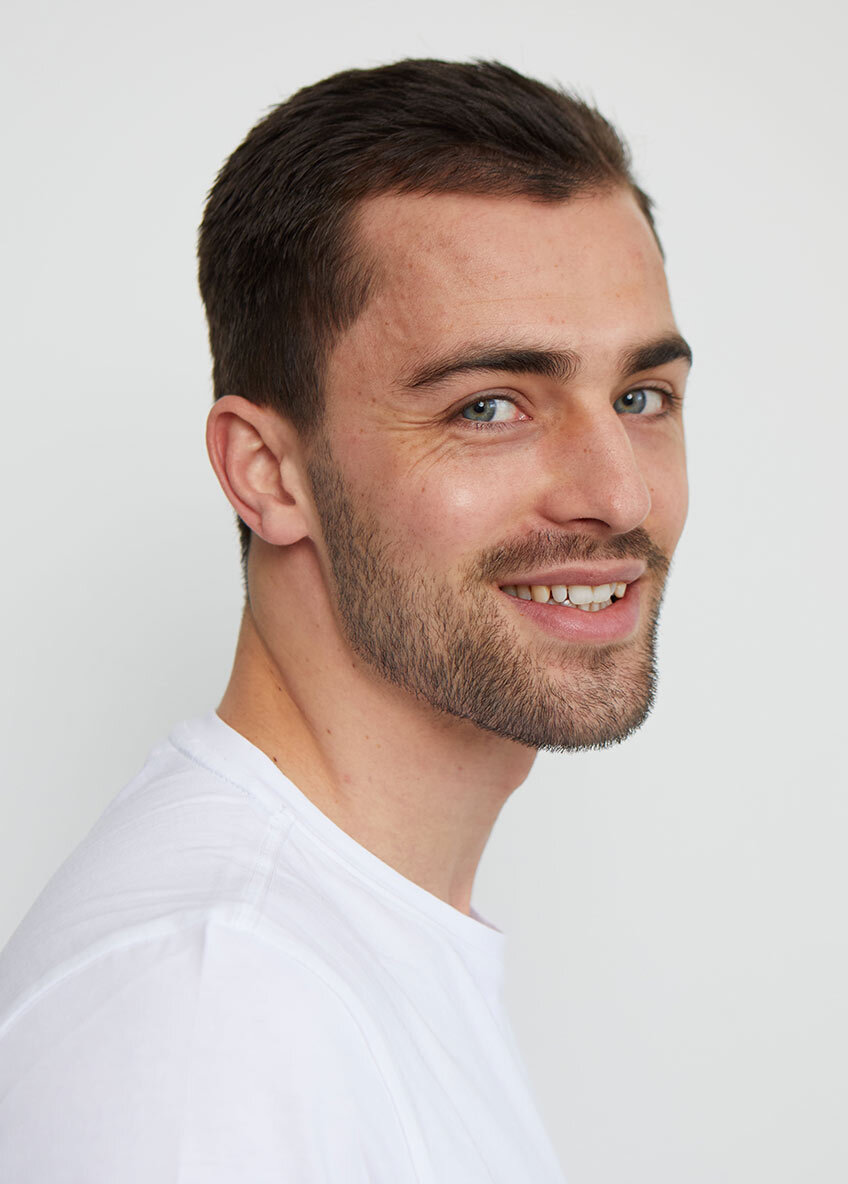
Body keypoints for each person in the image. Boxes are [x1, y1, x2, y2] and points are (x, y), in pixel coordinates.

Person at [0, 59, 691, 1182]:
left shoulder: (334, 952)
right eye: (489, 406)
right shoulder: (216, 1012)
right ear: (267, 472)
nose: (618, 494)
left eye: (640, 397)